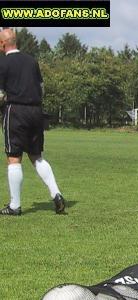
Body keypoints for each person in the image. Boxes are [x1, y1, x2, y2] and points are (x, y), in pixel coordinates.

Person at [0, 28, 66, 216]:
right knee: (36, 156)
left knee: (14, 158)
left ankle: (15, 206)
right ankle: (57, 194)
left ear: (3, 44)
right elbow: (41, 88)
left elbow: (1, 94)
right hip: (36, 111)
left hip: (16, 111)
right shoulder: (32, 61)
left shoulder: (3, 63)